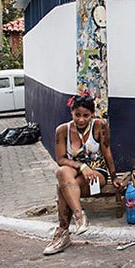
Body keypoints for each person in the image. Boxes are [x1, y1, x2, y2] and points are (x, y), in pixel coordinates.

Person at [43, 93, 122, 256]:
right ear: (71, 113)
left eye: (86, 115)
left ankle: (62, 233)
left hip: (96, 175)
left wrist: (114, 177)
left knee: (62, 189)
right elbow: (61, 159)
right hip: (74, 172)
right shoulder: (62, 130)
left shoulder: (100, 126)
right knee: (62, 172)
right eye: (77, 115)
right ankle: (80, 217)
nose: (81, 120)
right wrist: (82, 167)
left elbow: (107, 153)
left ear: (92, 114)